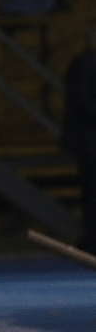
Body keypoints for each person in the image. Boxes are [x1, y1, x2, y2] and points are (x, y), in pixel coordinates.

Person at [62, 24, 96, 254]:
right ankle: (92, 243)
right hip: (90, 143)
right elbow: (83, 102)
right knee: (92, 198)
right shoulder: (85, 64)